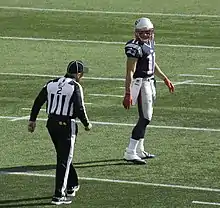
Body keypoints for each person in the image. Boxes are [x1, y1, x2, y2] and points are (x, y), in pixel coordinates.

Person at [28, 60, 92, 205]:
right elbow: (79, 108)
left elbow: (38, 101)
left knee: (64, 156)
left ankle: (72, 184)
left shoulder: (51, 83)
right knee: (64, 159)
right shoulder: (75, 86)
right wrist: (87, 124)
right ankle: (59, 195)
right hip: (66, 124)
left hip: (51, 124)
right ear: (78, 74)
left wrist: (32, 120)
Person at [122, 17, 175, 165]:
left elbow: (152, 63)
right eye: (142, 33)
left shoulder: (150, 43)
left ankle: (140, 149)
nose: (146, 35)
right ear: (136, 33)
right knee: (145, 118)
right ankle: (130, 152)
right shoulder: (134, 47)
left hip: (151, 81)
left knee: (146, 118)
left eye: (148, 32)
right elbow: (130, 72)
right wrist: (128, 92)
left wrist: (165, 78)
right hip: (140, 83)